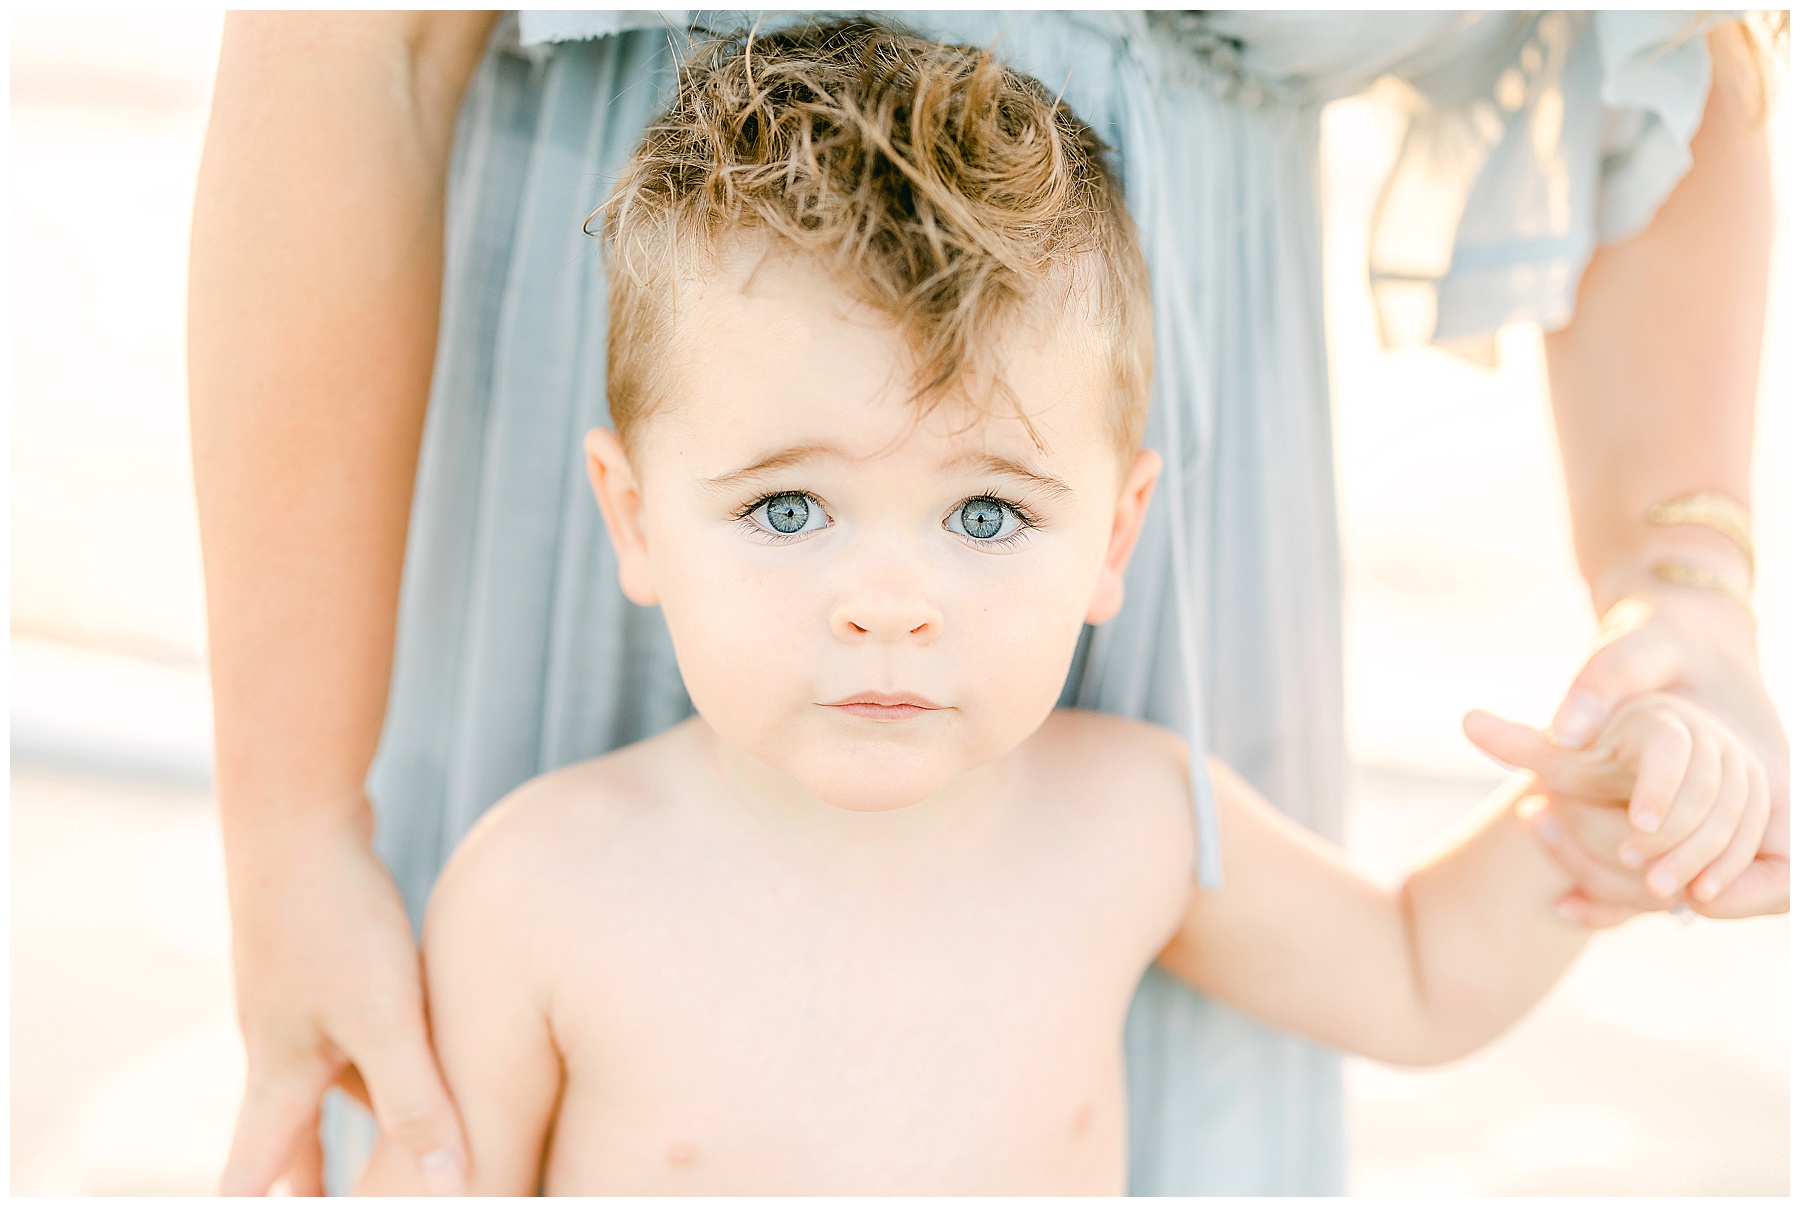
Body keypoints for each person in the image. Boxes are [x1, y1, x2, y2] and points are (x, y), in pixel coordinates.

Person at [188, 10, 1788, 1197]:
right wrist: (285, 830)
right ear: (632, 515)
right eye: (791, 508)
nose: (891, 603)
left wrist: (1597, 827)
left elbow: (1421, 973)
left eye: (984, 512)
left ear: (1118, 533)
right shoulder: (534, 889)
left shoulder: (1134, 823)